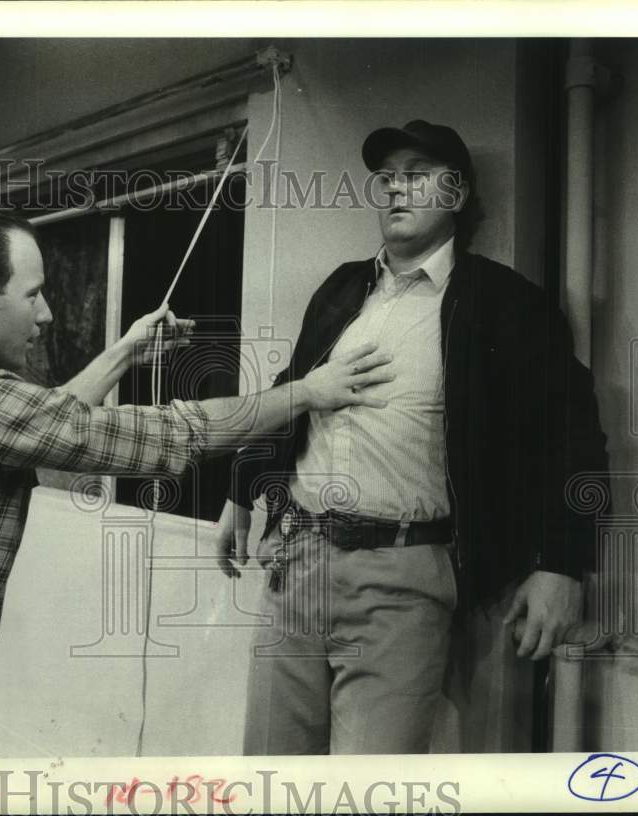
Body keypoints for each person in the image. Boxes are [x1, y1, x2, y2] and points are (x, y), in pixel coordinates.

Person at [0, 200, 395, 760]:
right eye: (33, 293)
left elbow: (42, 424)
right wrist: (307, 391)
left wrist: (124, 350)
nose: (47, 312)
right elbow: (170, 435)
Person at [216, 120, 609, 754]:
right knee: (270, 769)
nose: (396, 190)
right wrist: (241, 491)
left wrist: (563, 565)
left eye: (417, 175)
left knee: (366, 785)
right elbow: (295, 393)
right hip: (297, 561)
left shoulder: (504, 303)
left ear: (456, 196)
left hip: (402, 576)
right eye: (387, 178)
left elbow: (574, 434)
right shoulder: (343, 288)